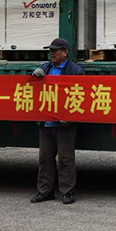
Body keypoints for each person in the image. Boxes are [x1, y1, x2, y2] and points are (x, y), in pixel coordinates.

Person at [30, 38, 86, 205]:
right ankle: (45, 191)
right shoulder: (45, 67)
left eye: (55, 51)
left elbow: (82, 96)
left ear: (65, 52)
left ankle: (67, 192)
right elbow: (30, 86)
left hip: (64, 124)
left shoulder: (75, 71)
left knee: (65, 159)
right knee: (45, 158)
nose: (52, 53)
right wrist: (33, 75)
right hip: (46, 122)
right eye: (50, 51)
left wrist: (70, 116)